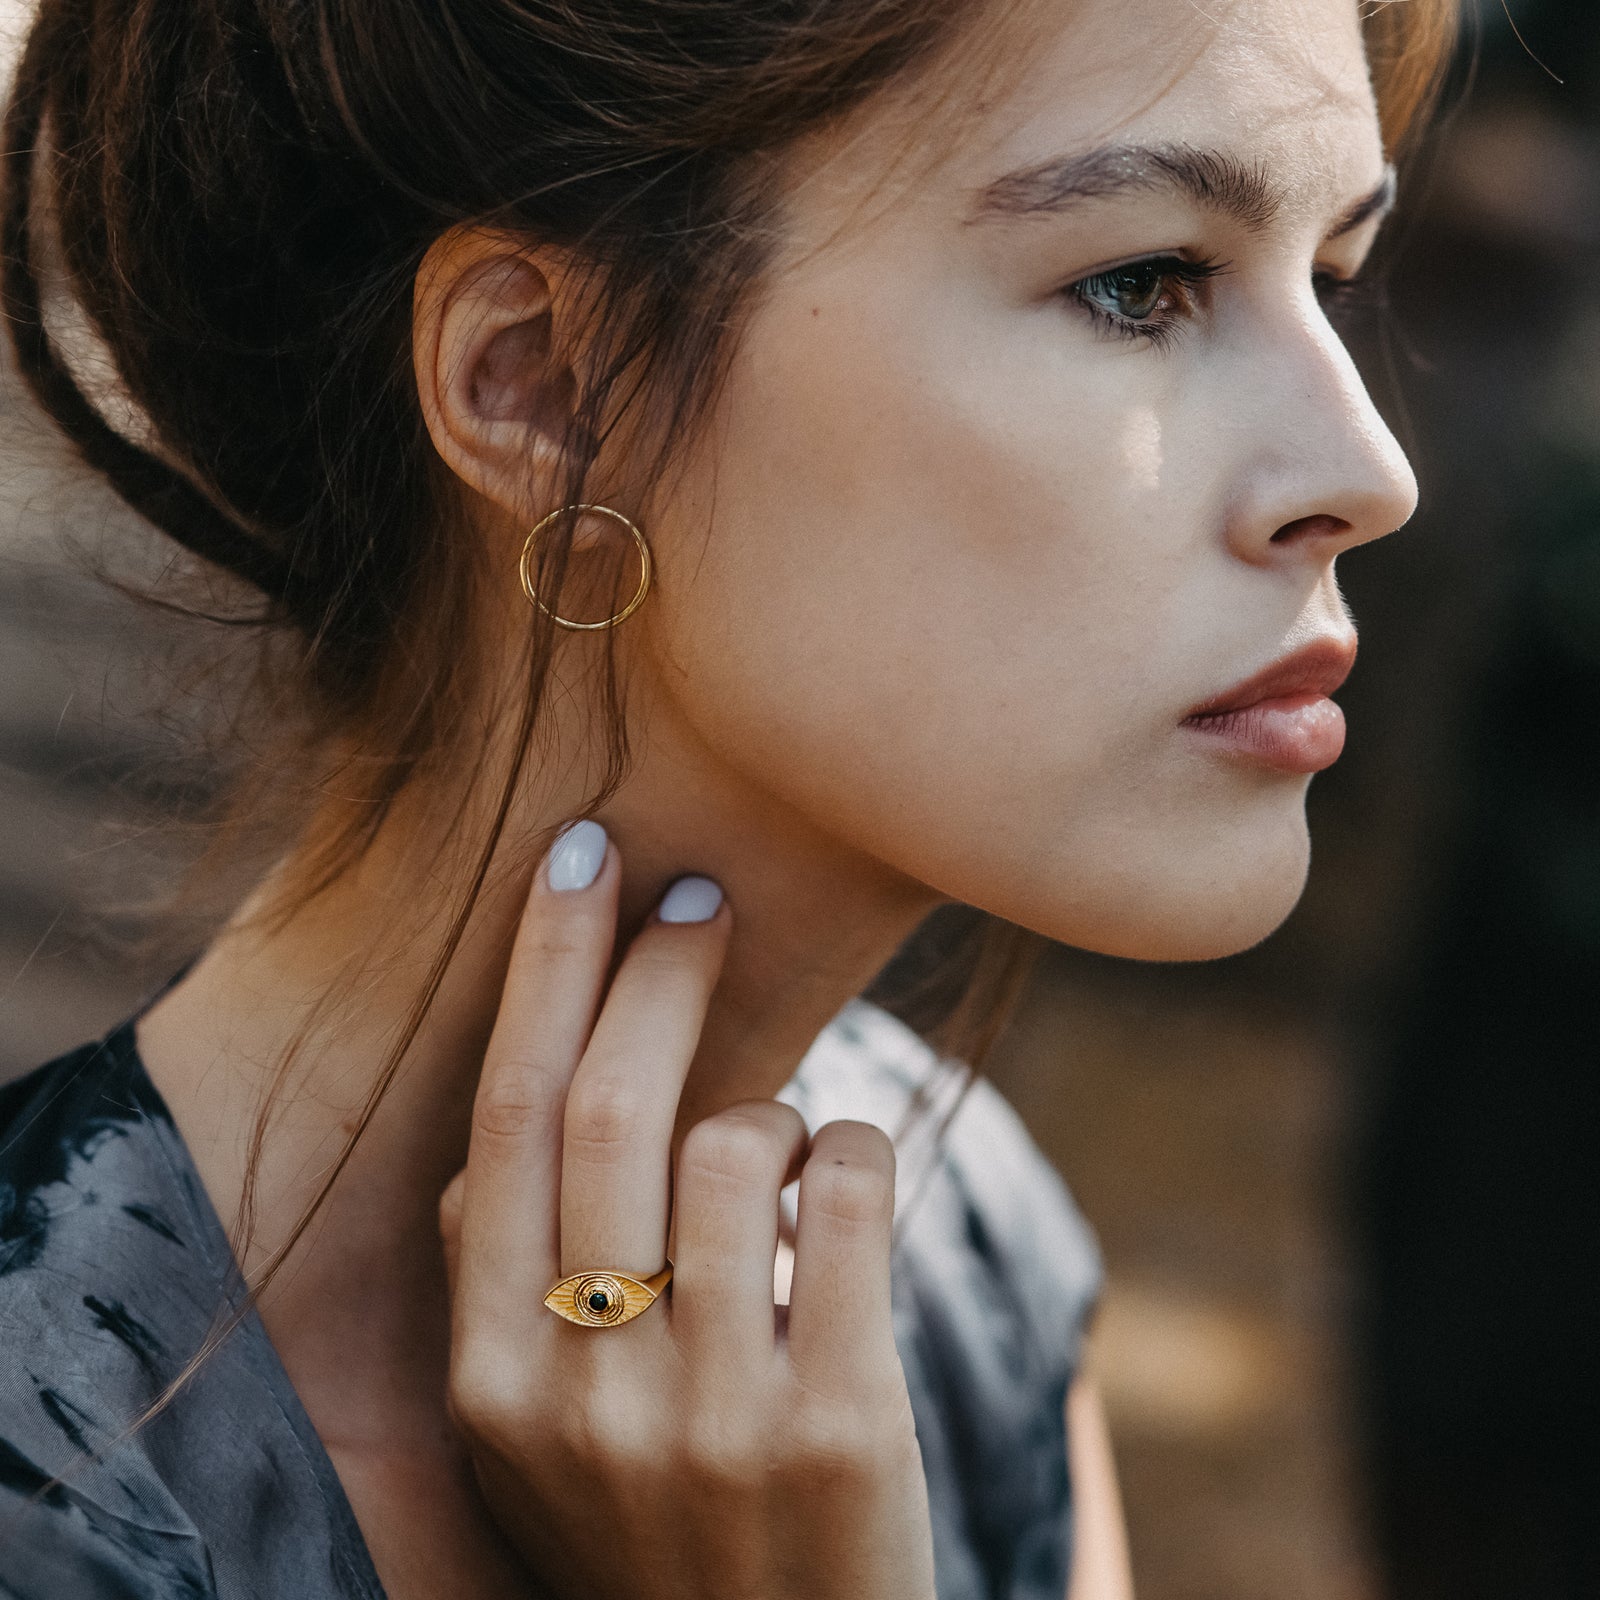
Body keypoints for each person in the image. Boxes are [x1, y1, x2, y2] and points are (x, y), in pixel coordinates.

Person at [0, 0, 1455, 1594]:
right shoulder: (49, 1480)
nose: (1367, 471)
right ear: (543, 383)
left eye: (1329, 281)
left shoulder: (948, 1262)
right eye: (1139, 284)